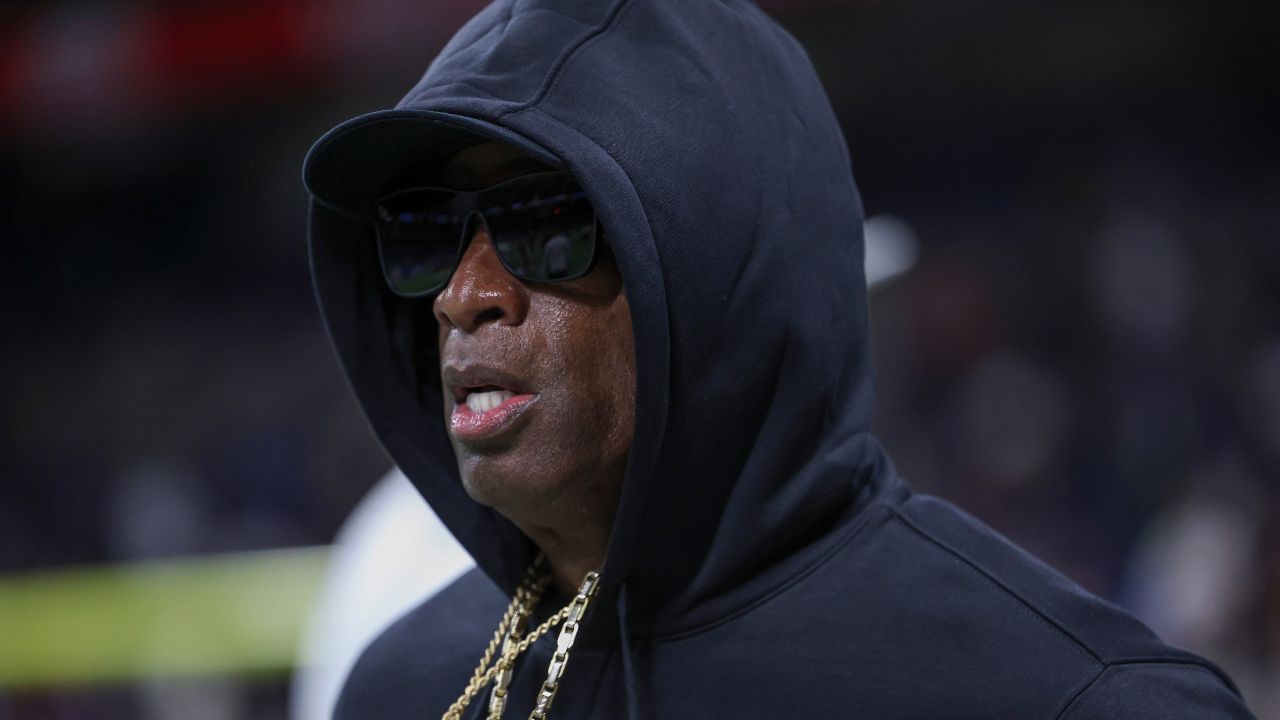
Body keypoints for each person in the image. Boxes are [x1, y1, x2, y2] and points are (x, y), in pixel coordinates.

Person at [301, 1, 1255, 717]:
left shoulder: (1074, 699)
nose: (462, 294)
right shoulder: (406, 686)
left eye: (543, 222)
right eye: (423, 233)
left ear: (718, 272)